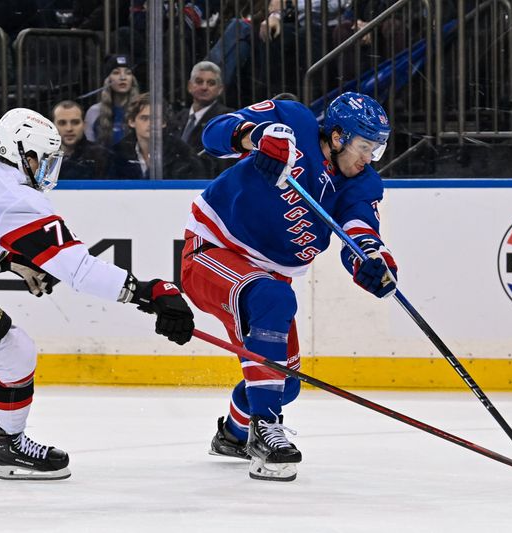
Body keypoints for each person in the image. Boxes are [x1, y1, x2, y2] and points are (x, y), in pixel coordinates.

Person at [0, 108, 194, 505]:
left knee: (15, 351)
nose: (46, 168)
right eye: (40, 159)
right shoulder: (19, 200)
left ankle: (9, 445)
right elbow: (80, 270)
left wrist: (11, 258)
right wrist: (150, 292)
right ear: (19, 152)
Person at [180, 92, 397, 482]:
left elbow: (360, 228)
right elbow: (212, 133)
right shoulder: (291, 120)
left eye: (376, 150)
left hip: (265, 278)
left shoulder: (360, 182)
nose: (369, 158)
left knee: (287, 384)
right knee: (272, 298)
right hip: (212, 250)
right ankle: (265, 427)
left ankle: (233, 433)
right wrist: (257, 136)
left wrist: (371, 261)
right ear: (337, 136)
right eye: (365, 147)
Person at [111, 92, 205, 179]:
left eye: (155, 118)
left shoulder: (183, 154)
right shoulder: (117, 155)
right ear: (131, 122)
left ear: (163, 122)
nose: (151, 123)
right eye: (144, 118)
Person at [171, 61, 234, 176]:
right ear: (189, 86)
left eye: (211, 83)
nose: (204, 87)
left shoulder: (225, 118)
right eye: (199, 82)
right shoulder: (178, 118)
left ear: (220, 89)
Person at [84, 54, 140, 148]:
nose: (123, 77)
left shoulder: (140, 110)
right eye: (116, 72)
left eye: (128, 73)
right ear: (108, 80)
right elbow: (89, 148)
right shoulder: (94, 112)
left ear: (132, 80)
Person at [52, 100, 112, 180]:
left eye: (75, 122)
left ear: (84, 125)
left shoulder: (103, 157)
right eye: (62, 123)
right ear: (53, 126)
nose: (69, 129)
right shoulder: (42, 157)